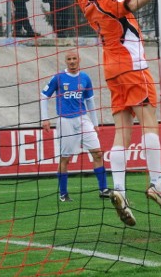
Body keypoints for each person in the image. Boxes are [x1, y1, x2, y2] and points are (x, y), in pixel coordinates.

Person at [50, 0, 161, 226]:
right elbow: (134, 3)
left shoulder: (87, 4)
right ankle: (156, 185)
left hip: (111, 72)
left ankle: (120, 190)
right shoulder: (112, 0)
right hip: (133, 67)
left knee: (121, 135)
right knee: (149, 122)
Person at [40, 49, 110, 202]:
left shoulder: (85, 78)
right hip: (65, 121)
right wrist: (45, 119)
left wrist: (95, 123)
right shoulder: (58, 78)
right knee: (65, 158)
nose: (72, 61)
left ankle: (103, 189)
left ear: (79, 60)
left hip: (83, 119)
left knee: (97, 153)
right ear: (66, 61)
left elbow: (90, 101)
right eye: (69, 59)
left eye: (74, 59)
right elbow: (44, 96)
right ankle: (63, 194)